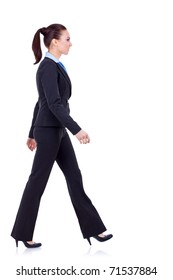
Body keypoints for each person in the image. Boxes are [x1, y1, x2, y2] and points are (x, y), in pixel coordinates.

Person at [11, 23, 113, 248]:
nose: (71, 43)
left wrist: (30, 132)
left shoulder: (55, 66)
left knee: (74, 177)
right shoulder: (47, 67)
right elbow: (53, 104)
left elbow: (42, 102)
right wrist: (76, 129)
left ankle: (93, 229)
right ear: (54, 42)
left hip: (55, 129)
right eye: (67, 39)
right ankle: (22, 233)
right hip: (49, 131)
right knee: (37, 181)